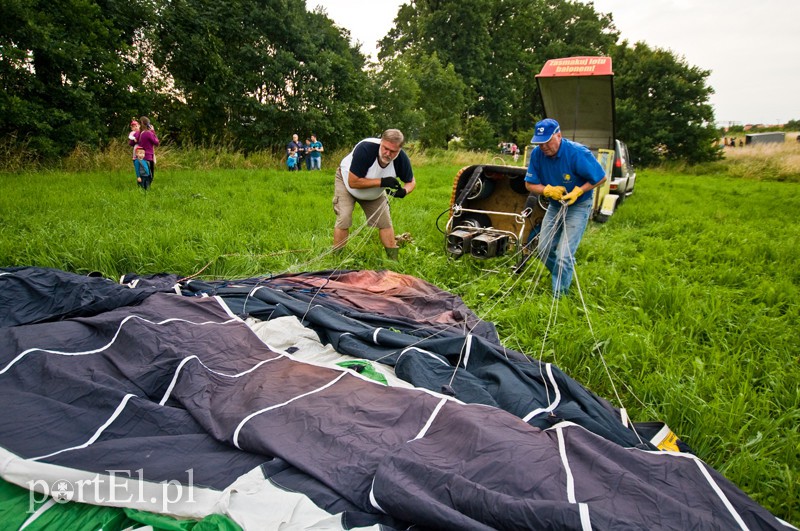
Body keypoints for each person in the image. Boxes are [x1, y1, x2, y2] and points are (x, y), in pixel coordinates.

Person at [524, 118, 606, 297]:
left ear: (559, 136)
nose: (543, 147)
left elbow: (600, 177)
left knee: (564, 254)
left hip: (578, 205)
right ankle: (562, 272)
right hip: (555, 205)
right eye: (540, 143)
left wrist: (579, 191)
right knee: (543, 248)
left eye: (547, 141)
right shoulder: (538, 154)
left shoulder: (577, 153)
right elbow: (529, 184)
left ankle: (560, 296)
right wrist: (546, 189)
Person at [333, 129, 416, 260]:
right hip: (346, 184)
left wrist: (404, 191)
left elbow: (411, 181)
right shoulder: (365, 149)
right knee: (344, 217)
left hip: (373, 193)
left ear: (399, 150)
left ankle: (393, 260)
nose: (388, 153)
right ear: (381, 142)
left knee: (385, 222)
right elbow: (353, 182)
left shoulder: (401, 159)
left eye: (393, 151)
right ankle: (336, 259)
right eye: (385, 148)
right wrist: (383, 182)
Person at [129, 116, 159, 183]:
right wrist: (153, 131)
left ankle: (141, 189)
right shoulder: (148, 133)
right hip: (148, 156)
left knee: (142, 174)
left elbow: (131, 143)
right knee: (150, 175)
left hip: (140, 156)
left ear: (141, 123)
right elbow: (157, 143)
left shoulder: (139, 133)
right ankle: (146, 190)